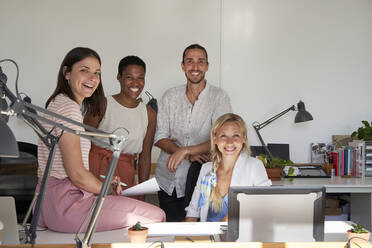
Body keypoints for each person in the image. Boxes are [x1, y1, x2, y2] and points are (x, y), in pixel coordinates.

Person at [36, 47, 165, 233]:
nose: (92, 78)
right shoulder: (70, 109)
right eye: (84, 70)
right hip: (67, 203)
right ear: (66, 73)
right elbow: (78, 175)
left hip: (51, 201)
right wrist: (108, 190)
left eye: (96, 73)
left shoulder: (59, 102)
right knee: (156, 216)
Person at [154, 44, 232, 221]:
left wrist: (187, 150)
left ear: (207, 66)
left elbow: (223, 137)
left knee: (199, 236)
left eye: (200, 62)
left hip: (204, 180)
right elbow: (160, 136)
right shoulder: (170, 96)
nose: (195, 67)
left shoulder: (219, 97)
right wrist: (184, 154)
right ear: (183, 66)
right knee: (173, 237)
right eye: (190, 61)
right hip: (169, 181)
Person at [84, 56, 155, 196]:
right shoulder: (103, 104)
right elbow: (81, 141)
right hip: (96, 169)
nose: (135, 83)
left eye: (140, 78)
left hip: (125, 172)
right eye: (129, 77)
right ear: (119, 77)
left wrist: (142, 192)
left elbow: (145, 157)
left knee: (124, 214)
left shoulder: (149, 113)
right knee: (96, 212)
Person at [185, 113, 272, 222]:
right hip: (209, 236)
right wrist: (187, 237)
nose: (229, 142)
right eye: (223, 136)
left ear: (244, 138)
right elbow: (193, 212)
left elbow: (265, 206)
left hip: (241, 237)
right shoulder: (206, 169)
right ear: (215, 139)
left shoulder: (254, 166)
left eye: (235, 136)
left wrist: (228, 221)